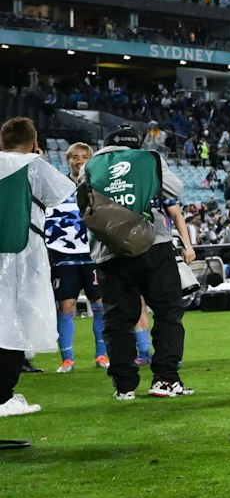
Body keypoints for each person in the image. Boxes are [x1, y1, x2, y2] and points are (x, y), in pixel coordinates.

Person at [81, 123, 195, 400]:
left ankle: (124, 385)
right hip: (152, 243)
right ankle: (165, 379)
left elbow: (84, 203)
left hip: (108, 250)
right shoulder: (150, 158)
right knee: (168, 311)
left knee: (117, 319)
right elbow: (174, 189)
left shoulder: (91, 166)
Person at [1, 117, 74, 419]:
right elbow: (60, 193)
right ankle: (4, 396)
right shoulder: (34, 164)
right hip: (21, 255)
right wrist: (37, 158)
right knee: (14, 325)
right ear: (33, 143)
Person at [45, 141, 108, 370]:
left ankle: (102, 355)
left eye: (83, 156)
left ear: (90, 160)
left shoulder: (99, 185)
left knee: (100, 304)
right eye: (74, 157)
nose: (78, 160)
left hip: (93, 254)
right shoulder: (56, 187)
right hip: (64, 256)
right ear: (67, 160)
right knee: (67, 305)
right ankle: (67, 359)